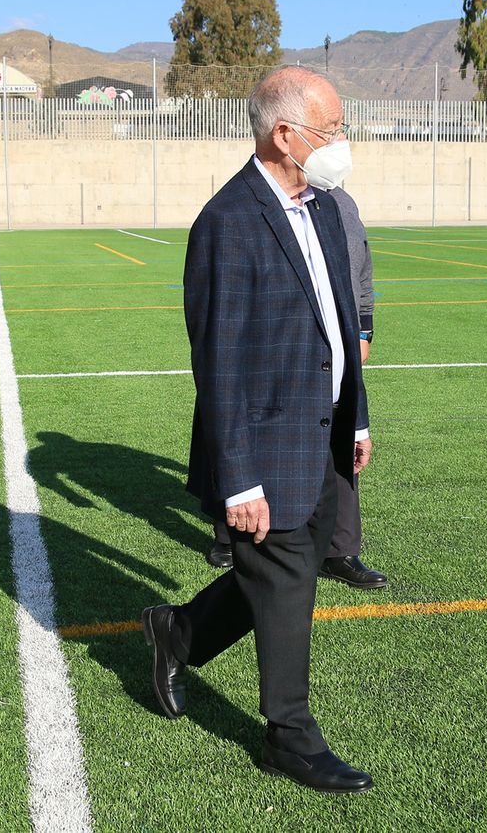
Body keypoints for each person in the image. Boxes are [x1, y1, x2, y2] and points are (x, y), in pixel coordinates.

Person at [142, 66, 374, 794]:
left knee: (282, 573)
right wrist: (237, 475)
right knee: (286, 580)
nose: (340, 143)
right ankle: (290, 736)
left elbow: (340, 324)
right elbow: (219, 360)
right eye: (331, 129)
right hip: (265, 444)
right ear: (284, 133)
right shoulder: (228, 221)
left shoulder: (328, 209)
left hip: (324, 432)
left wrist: (356, 417)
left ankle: (177, 632)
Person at [207, 185, 387, 588]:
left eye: (340, 131)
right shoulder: (252, 203)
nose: (337, 142)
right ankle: (228, 531)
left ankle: (340, 549)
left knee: (339, 444)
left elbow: (359, 269)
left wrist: (364, 327)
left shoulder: (342, 203)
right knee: (246, 430)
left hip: (336, 349)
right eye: (329, 130)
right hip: (280, 347)